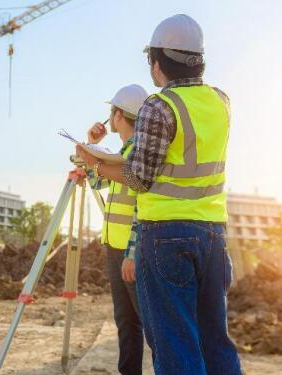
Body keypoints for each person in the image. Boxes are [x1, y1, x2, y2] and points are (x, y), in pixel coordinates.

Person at [77, 14, 242, 375]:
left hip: (166, 236)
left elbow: (138, 178)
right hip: (213, 235)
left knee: (175, 347)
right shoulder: (220, 101)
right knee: (215, 342)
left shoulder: (159, 106)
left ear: (156, 63)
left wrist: (95, 162)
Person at [72, 84, 148, 375]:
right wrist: (92, 145)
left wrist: (133, 252)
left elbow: (144, 204)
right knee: (126, 323)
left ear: (117, 115)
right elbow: (99, 183)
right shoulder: (121, 154)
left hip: (131, 252)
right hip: (116, 248)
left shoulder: (138, 156)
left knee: (148, 323)